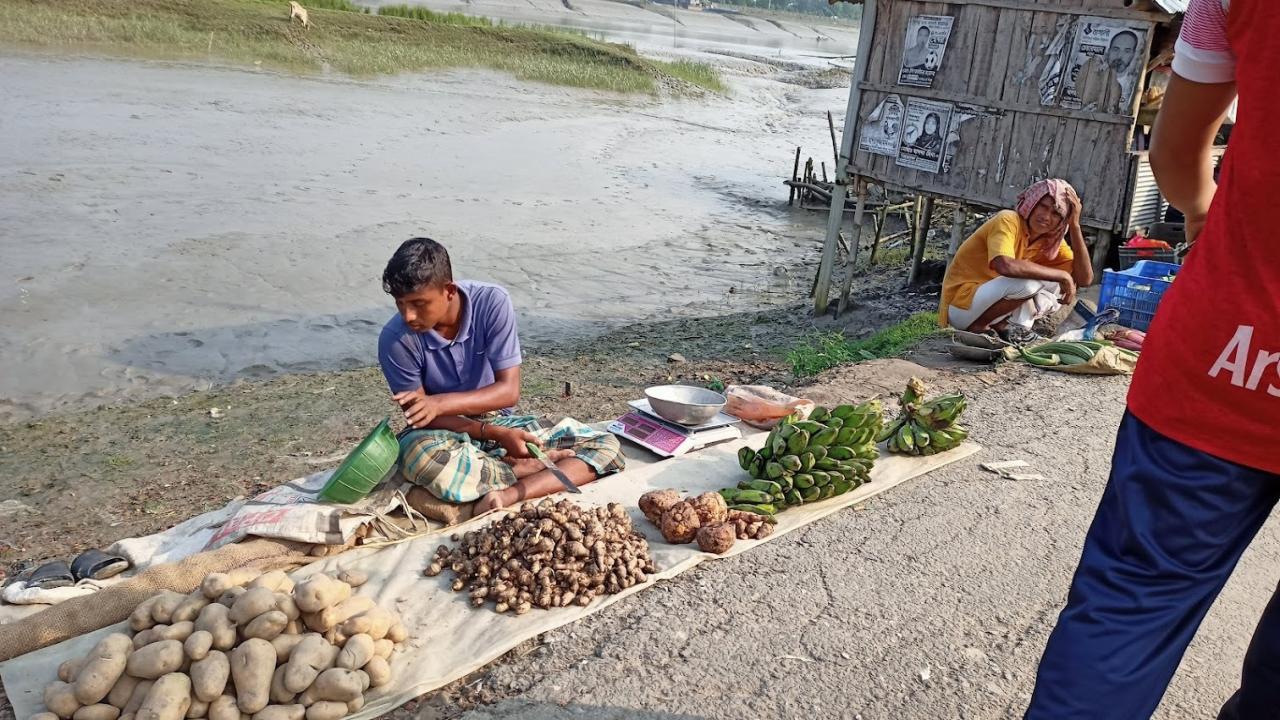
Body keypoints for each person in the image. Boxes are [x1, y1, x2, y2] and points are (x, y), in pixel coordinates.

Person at [1026, 1, 1280, 718]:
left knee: (1129, 608)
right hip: (1219, 370)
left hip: (1222, 361)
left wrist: (1201, 213)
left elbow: (1176, 152)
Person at [377, 237, 625, 514]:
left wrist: (442, 404)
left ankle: (506, 493)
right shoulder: (395, 340)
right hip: (442, 432)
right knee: (417, 456)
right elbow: (421, 417)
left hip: (499, 420)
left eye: (418, 303)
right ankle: (517, 470)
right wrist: (491, 433)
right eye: (400, 304)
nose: (408, 316)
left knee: (607, 446)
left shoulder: (492, 302)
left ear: (449, 291)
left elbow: (508, 391)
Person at [938, 179, 1092, 344]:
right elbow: (1004, 265)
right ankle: (979, 326)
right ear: (1032, 204)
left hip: (991, 303)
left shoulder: (1050, 241)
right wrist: (1062, 275)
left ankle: (1014, 327)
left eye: (1056, 213)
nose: (1046, 217)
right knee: (1031, 284)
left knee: (1058, 285)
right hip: (961, 307)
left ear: (1063, 220)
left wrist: (1075, 225)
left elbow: (1084, 279)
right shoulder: (1008, 219)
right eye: (1042, 206)